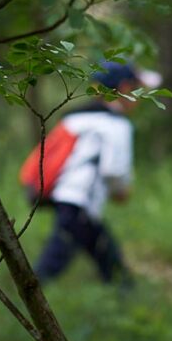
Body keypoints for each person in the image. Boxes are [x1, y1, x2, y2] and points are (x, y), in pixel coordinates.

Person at [33, 62, 158, 285]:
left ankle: (124, 292)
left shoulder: (76, 117)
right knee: (54, 260)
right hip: (81, 202)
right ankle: (29, 292)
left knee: (106, 255)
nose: (141, 97)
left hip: (68, 197)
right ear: (125, 88)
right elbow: (114, 170)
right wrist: (122, 191)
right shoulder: (115, 125)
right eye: (138, 89)